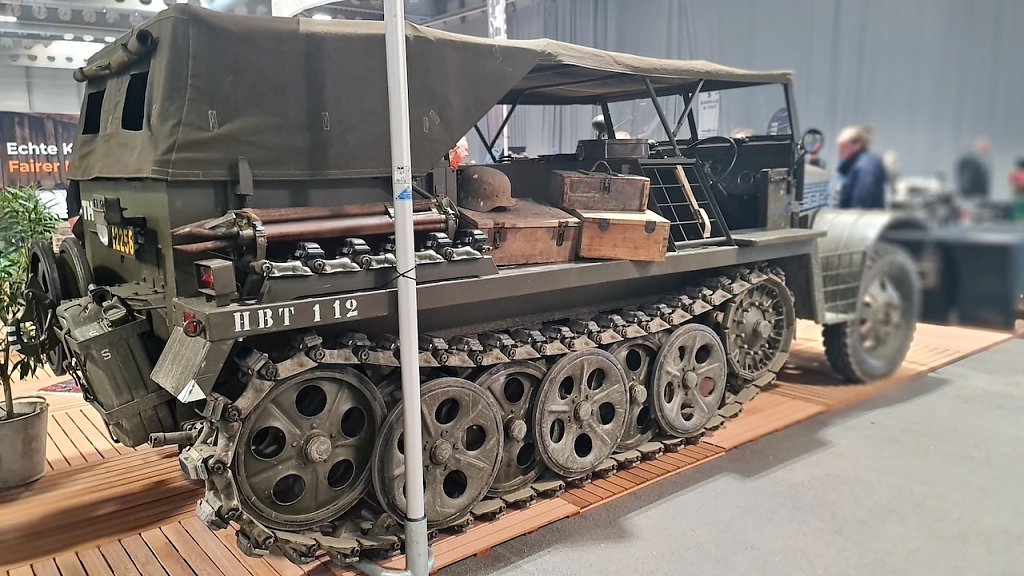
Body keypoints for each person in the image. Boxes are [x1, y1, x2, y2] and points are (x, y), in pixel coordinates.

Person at [835, 125, 887, 209]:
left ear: (857, 145)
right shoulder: (859, 164)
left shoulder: (866, 167)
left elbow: (862, 207)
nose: (840, 151)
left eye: (843, 146)